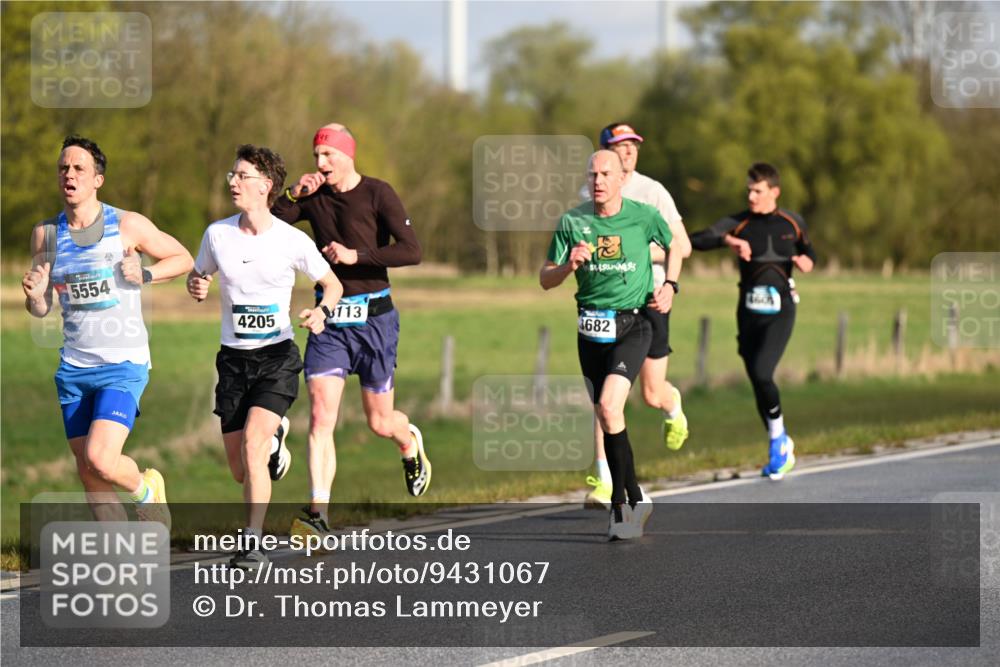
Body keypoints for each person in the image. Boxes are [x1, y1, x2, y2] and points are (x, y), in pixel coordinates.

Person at [22, 135, 193, 525]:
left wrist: (144, 273)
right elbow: (42, 307)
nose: (69, 174)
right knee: (89, 473)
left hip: (123, 363)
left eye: (79, 168)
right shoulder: (46, 235)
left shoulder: (126, 224)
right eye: (63, 168)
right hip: (74, 367)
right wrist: (34, 296)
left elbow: (182, 257)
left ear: (98, 179)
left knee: (100, 458)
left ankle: (146, 490)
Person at [187, 144, 342, 569]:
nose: (233, 182)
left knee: (253, 447)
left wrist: (322, 312)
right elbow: (198, 274)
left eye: (242, 176)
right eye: (232, 175)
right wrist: (196, 285)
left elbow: (333, 285)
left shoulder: (292, 240)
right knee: (241, 469)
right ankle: (275, 442)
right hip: (233, 361)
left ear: (265, 186)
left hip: (276, 359)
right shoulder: (217, 234)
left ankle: (252, 543)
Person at [271, 123, 429, 537]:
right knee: (321, 417)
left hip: (375, 320)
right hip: (330, 320)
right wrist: (293, 195)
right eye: (316, 156)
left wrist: (356, 256)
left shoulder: (378, 193)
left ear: (347, 155)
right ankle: (318, 514)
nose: (320, 163)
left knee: (380, 422)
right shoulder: (314, 196)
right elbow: (268, 225)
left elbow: (411, 250)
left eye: (328, 155)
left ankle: (408, 442)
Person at [540, 149, 673, 540]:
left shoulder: (643, 216)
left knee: (610, 407)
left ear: (620, 179)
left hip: (633, 325)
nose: (597, 181)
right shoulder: (572, 222)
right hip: (590, 330)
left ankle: (620, 509)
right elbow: (545, 279)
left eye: (605, 174)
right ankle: (637, 497)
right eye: (592, 174)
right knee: (608, 416)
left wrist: (670, 285)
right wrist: (569, 266)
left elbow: (676, 245)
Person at [579, 122, 692, 511]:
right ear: (604, 153)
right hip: (607, 305)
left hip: (650, 300)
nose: (628, 151)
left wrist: (635, 250)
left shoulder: (652, 192)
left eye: (633, 145)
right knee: (606, 399)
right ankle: (604, 478)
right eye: (619, 146)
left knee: (650, 393)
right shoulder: (591, 194)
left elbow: (682, 246)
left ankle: (672, 404)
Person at [689, 162, 815, 480]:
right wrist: (728, 242)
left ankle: (778, 442)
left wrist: (806, 261)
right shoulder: (738, 222)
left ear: (774, 192)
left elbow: (810, 252)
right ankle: (780, 440)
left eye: (757, 191)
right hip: (747, 311)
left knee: (762, 372)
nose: (751, 196)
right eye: (748, 190)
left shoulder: (792, 222)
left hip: (781, 309)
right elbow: (695, 240)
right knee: (758, 382)